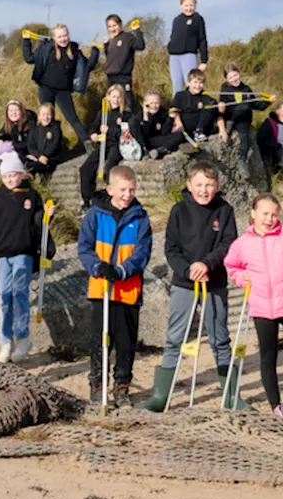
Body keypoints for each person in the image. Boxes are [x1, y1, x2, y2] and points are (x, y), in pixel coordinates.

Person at [139, 161, 241, 412]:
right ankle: (161, 397)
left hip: (214, 281)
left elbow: (228, 244)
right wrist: (188, 269)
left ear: (217, 186)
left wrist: (206, 264)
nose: (204, 190)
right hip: (184, 283)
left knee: (220, 339)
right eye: (199, 185)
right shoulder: (178, 211)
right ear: (189, 185)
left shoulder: (225, 210)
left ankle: (231, 396)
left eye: (209, 185)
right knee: (175, 338)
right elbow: (171, 249)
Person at [224, 194, 283, 419]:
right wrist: (240, 277)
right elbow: (231, 265)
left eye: (274, 214)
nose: (269, 219)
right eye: (265, 213)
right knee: (268, 358)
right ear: (253, 213)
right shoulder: (242, 243)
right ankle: (276, 407)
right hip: (261, 307)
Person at [77, 165, 152, 407]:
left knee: (126, 341)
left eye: (132, 189)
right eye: (123, 189)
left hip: (129, 290)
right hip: (101, 289)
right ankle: (98, 384)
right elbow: (84, 247)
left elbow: (142, 253)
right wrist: (98, 268)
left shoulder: (140, 217)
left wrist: (122, 270)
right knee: (100, 339)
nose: (127, 194)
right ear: (110, 189)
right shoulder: (95, 215)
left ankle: (122, 386)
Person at [0, 151, 54, 363]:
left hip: (23, 253)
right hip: (2, 254)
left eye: (14, 175)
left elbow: (38, 223)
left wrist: (45, 215)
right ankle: (6, 340)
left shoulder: (31, 195)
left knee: (19, 293)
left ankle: (23, 337)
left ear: (21, 174)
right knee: (4, 296)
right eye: (6, 176)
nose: (10, 179)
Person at [22, 23, 99, 146]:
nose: (63, 39)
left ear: (68, 35)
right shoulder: (46, 48)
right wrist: (26, 41)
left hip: (63, 91)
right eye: (59, 37)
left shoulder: (75, 50)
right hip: (45, 88)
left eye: (65, 35)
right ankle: (46, 147)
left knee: (73, 119)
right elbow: (29, 59)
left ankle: (87, 144)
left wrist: (95, 51)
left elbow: (88, 66)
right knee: (46, 119)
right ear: (54, 38)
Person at [79, 86, 136, 214]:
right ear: (108, 97)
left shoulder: (126, 114)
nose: (115, 100)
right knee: (86, 168)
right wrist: (93, 134)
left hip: (118, 145)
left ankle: (112, 200)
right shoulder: (103, 113)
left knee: (109, 168)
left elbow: (126, 134)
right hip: (103, 144)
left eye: (118, 97)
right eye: (113, 96)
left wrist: (109, 130)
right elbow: (94, 127)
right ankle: (87, 201)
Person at [217, 64, 272, 160]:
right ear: (226, 79)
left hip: (243, 120)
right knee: (242, 107)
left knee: (244, 137)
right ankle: (230, 125)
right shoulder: (225, 89)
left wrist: (268, 101)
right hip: (230, 117)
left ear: (239, 74)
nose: (234, 79)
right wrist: (221, 106)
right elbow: (222, 103)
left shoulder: (246, 89)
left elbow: (256, 105)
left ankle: (243, 159)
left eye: (235, 75)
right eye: (230, 77)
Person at [100, 14, 145, 107]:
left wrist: (137, 30)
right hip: (110, 77)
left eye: (115, 25)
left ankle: (128, 120)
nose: (112, 29)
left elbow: (140, 46)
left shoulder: (128, 37)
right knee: (112, 103)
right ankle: (114, 120)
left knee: (126, 101)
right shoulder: (111, 40)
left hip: (123, 76)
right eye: (110, 26)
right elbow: (110, 57)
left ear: (120, 25)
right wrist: (106, 45)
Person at [168, 0, 208, 94]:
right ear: (181, 6)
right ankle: (176, 107)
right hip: (174, 56)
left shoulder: (197, 19)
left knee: (191, 83)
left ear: (195, 6)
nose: (189, 8)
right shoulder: (176, 20)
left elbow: (202, 39)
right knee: (176, 84)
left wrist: (204, 61)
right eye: (186, 5)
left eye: (191, 5)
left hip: (188, 55)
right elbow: (173, 36)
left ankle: (192, 107)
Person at [171, 69, 226, 143]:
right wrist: (178, 122)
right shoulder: (180, 95)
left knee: (212, 104)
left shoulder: (206, 97)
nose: (198, 85)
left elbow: (218, 115)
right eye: (195, 82)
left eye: (201, 83)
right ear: (189, 82)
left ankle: (199, 131)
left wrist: (222, 130)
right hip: (185, 127)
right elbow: (173, 110)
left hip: (202, 128)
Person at [134, 91, 187, 160]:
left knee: (180, 135)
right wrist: (145, 116)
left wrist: (170, 118)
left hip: (160, 139)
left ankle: (160, 151)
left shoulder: (162, 112)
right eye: (151, 103)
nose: (154, 106)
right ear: (146, 104)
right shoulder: (140, 115)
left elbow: (165, 132)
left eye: (156, 103)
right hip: (148, 141)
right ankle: (157, 151)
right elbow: (146, 134)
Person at [0, 100, 35, 170]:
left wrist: (12, 146)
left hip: (27, 150)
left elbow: (30, 143)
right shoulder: (9, 124)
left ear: (21, 111)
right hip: (14, 148)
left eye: (16, 110)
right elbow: (1, 134)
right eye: (11, 111)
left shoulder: (30, 124)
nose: (13, 113)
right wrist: (0, 140)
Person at [24, 103, 63, 176]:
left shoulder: (56, 129)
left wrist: (43, 156)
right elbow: (30, 146)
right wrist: (38, 156)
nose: (46, 117)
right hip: (38, 157)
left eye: (49, 114)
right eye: (43, 114)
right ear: (39, 116)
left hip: (50, 158)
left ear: (52, 115)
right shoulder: (34, 129)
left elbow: (54, 146)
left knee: (31, 166)